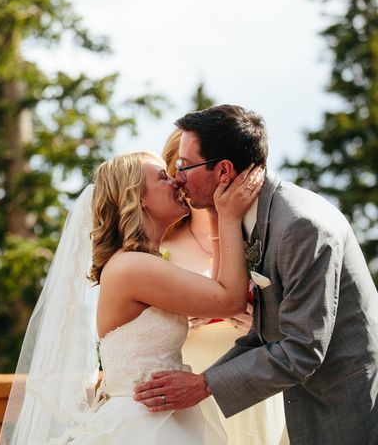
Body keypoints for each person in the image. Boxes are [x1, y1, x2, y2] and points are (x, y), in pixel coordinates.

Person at [134, 105, 378, 444]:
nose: (177, 177)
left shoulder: (299, 226)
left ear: (223, 171)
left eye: (185, 166)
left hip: (339, 408)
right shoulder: (255, 215)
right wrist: (203, 381)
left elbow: (303, 348)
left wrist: (204, 386)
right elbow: (265, 334)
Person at [0, 150, 264, 445]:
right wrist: (229, 215)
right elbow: (229, 300)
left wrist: (213, 214)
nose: (176, 181)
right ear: (138, 198)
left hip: (162, 418)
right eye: (163, 177)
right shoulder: (132, 266)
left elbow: (217, 291)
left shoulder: (141, 264)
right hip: (143, 427)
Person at [161, 128, 288, 445]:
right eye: (184, 166)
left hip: (252, 379)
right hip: (187, 379)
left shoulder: (262, 235)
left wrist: (262, 322)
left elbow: (305, 319)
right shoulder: (158, 245)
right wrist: (176, 322)